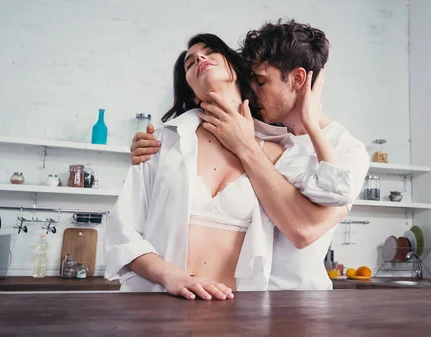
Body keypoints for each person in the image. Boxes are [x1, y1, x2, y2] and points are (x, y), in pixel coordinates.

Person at [105, 32, 360, 299]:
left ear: (237, 71)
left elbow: (331, 196)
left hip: (239, 313)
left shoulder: (278, 153)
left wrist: (309, 119)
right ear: (192, 94)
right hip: (158, 303)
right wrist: (171, 277)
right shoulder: (162, 143)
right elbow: (123, 233)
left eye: (209, 52)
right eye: (189, 63)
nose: (199, 58)